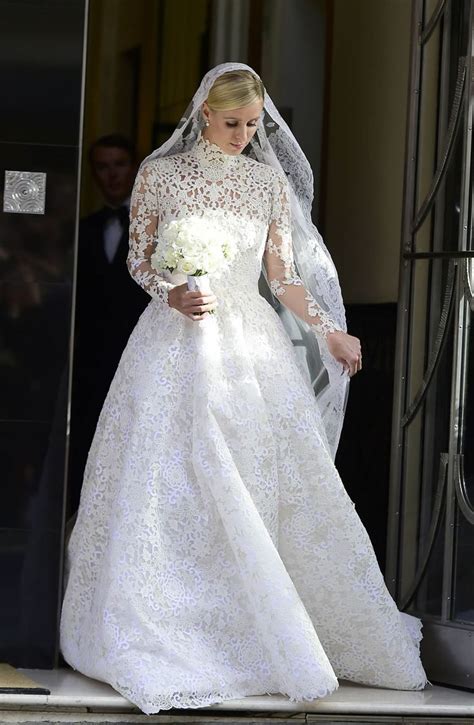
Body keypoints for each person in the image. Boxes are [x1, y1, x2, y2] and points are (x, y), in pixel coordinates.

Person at [59, 63, 427, 714]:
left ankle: (256, 620)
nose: (243, 134)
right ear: (204, 114)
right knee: (168, 477)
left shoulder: (265, 183)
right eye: (233, 123)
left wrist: (327, 331)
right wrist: (170, 290)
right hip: (173, 340)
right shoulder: (159, 174)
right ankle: (163, 623)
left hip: (249, 347)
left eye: (254, 124)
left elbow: (281, 277)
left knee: (250, 476)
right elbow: (139, 256)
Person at [68, 134, 149, 515]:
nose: (112, 175)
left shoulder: (157, 225)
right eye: (103, 166)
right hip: (91, 365)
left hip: (140, 358)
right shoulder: (82, 230)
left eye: (119, 164)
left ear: (134, 167)